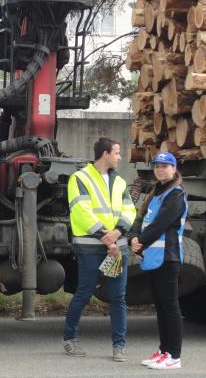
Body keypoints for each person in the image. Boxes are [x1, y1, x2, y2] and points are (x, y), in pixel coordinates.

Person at [63, 137, 137, 361]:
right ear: (105, 154)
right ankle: (70, 339)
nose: (120, 157)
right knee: (84, 293)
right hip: (91, 247)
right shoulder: (80, 178)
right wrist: (108, 238)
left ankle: (119, 346)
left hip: (117, 246)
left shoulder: (120, 182)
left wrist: (118, 233)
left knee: (118, 297)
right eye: (117, 152)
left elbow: (129, 210)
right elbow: (81, 211)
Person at [129, 151, 187, 370]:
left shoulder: (176, 194)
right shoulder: (156, 193)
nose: (160, 169)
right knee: (161, 307)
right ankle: (164, 351)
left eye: (165, 166)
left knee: (170, 306)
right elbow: (141, 218)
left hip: (168, 258)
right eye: (157, 166)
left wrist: (140, 242)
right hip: (154, 257)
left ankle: (174, 356)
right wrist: (134, 237)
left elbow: (160, 224)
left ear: (174, 169)